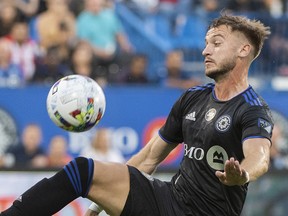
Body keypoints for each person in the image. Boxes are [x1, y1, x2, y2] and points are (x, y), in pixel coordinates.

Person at [1, 14, 273, 216]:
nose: (205, 50)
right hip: (169, 200)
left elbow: (259, 156)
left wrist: (244, 174)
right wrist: (99, 203)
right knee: (83, 171)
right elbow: (151, 156)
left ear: (243, 50)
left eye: (216, 43)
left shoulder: (252, 108)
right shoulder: (193, 97)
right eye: (205, 43)